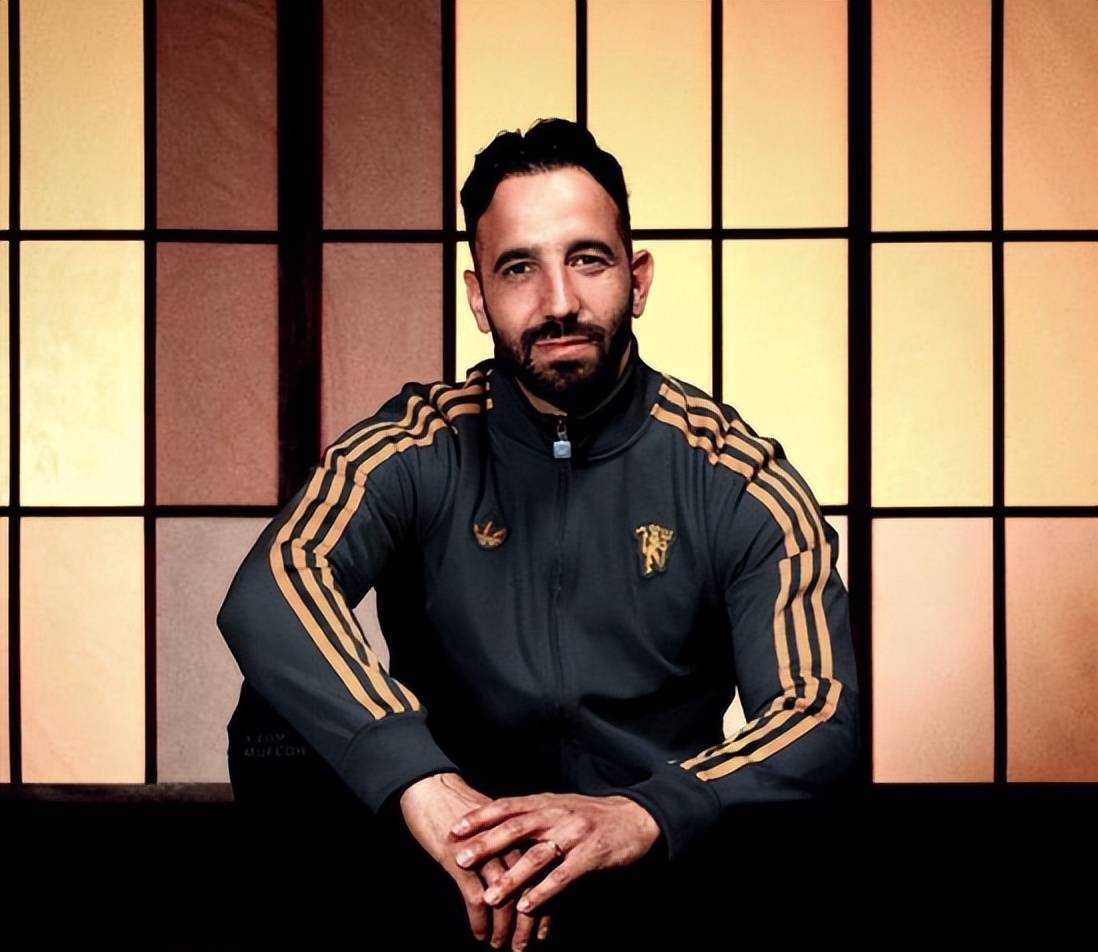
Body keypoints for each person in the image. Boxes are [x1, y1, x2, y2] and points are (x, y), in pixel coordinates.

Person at [217, 117, 862, 950]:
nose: (558, 302)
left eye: (587, 259)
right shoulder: (424, 442)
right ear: (478, 297)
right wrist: (424, 785)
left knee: (811, 793)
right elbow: (274, 585)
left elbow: (819, 709)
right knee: (273, 709)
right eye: (519, 268)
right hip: (446, 862)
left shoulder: (731, 474)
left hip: (652, 867)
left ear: (637, 279)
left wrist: (644, 813)